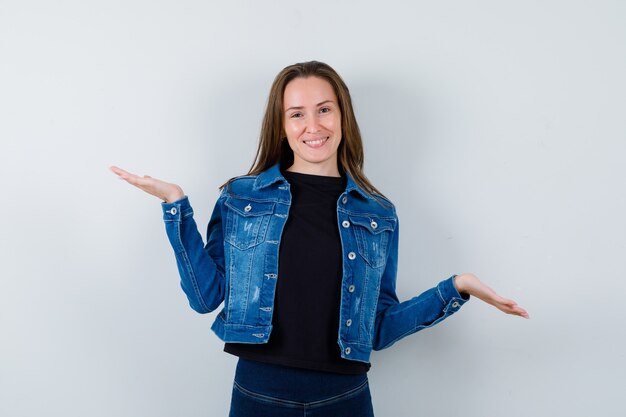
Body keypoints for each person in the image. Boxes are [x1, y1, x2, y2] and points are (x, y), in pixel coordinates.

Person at [110, 60, 528, 416]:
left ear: (343, 116)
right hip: (259, 394)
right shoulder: (242, 198)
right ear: (281, 126)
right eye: (297, 113)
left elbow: (379, 328)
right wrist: (175, 206)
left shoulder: (378, 214)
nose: (313, 125)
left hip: (344, 398)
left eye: (324, 109)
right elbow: (206, 297)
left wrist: (455, 288)